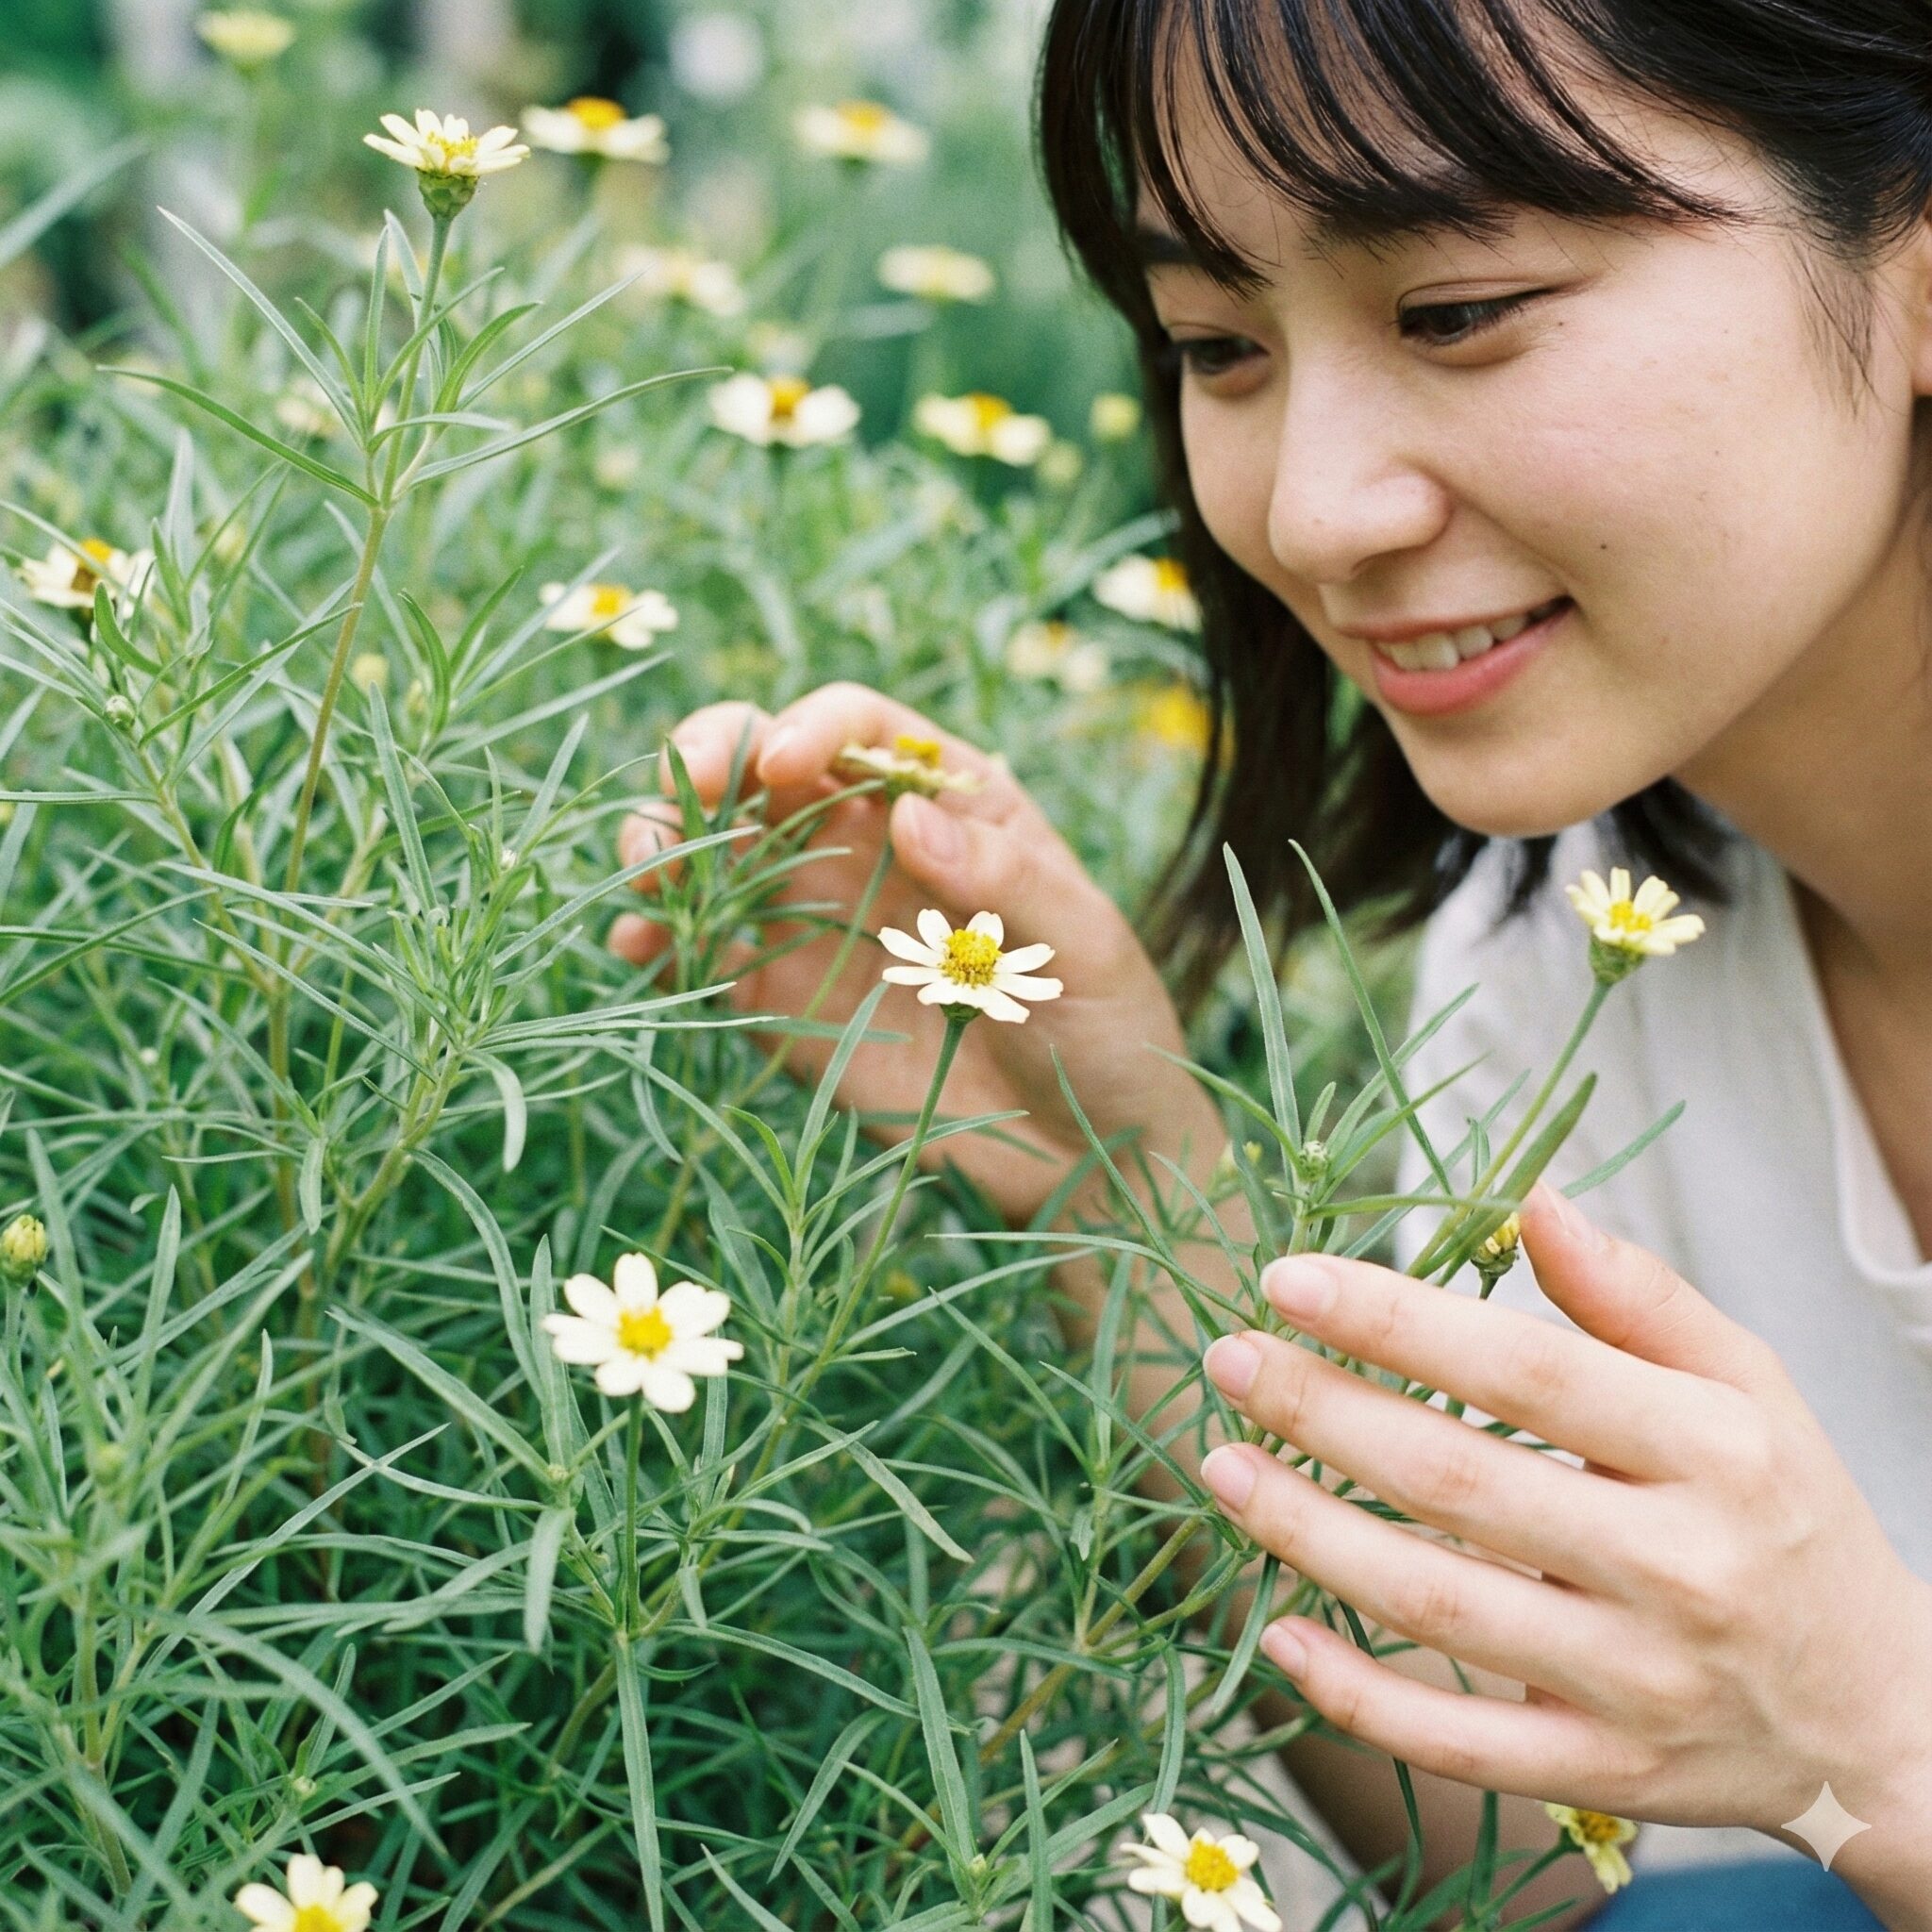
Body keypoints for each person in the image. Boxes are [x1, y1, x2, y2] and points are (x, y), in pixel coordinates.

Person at [607, 0, 1932, 1923]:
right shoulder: (1578, 942)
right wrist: (1121, 1183)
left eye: (1458, 310)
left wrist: (1884, 1748)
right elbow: (1560, 1879)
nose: (1311, 511)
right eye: (1215, 347)